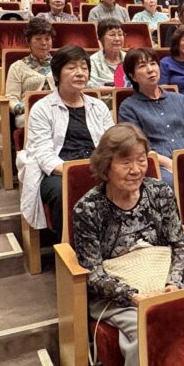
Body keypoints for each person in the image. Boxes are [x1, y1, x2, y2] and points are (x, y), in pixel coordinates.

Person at [72, 123, 184, 366]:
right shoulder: (88, 208)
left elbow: (179, 244)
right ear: (106, 166)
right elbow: (93, 273)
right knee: (145, 331)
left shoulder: (160, 192)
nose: (136, 169)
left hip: (163, 279)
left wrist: (174, 283)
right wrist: (134, 296)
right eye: (125, 162)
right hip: (117, 294)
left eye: (141, 160)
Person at [18, 44, 114, 235]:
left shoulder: (99, 106)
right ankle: (71, 246)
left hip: (96, 166)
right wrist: (76, 172)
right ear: (57, 74)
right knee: (64, 190)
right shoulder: (42, 108)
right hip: (57, 172)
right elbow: (44, 155)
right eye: (71, 67)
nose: (80, 73)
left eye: (84, 68)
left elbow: (112, 144)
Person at [117, 47, 184, 183]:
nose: (150, 69)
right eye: (142, 66)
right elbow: (136, 146)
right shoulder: (128, 107)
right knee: (172, 182)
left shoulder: (178, 99)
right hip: (157, 164)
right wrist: (170, 163)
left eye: (153, 63)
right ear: (133, 76)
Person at [4, 17, 55, 127]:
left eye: (47, 39)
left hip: (57, 111)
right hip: (28, 114)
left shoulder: (61, 64)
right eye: (38, 39)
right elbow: (11, 98)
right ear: (29, 41)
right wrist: (24, 108)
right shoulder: (17, 67)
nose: (44, 43)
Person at [88, 19, 126, 90]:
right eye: (112, 35)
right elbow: (88, 84)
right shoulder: (92, 61)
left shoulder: (130, 59)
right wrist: (115, 90)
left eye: (120, 34)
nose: (117, 39)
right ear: (101, 39)